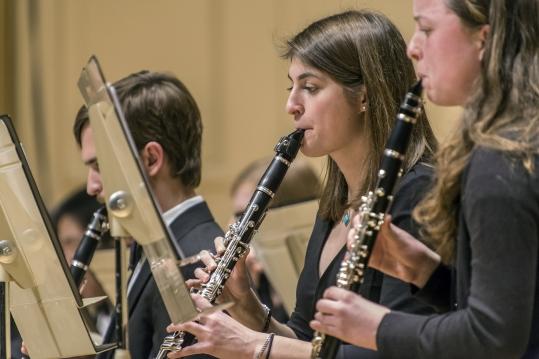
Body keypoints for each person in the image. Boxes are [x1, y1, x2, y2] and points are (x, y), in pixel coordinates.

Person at [166, 10, 438, 359]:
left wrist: (252, 347)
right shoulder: (334, 205)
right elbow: (304, 339)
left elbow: (400, 351)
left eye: (310, 88)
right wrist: (245, 302)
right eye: (291, 86)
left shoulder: (416, 194)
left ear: (364, 97)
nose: (291, 105)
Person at [311, 0, 539, 358]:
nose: (412, 47)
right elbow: (518, 309)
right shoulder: (514, 143)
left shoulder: (501, 161)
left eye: (427, 29)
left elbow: (495, 338)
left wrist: (377, 327)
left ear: (484, 38)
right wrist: (422, 269)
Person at [73, 71, 222, 359]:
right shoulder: (155, 248)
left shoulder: (195, 263)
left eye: (99, 166)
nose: (91, 186)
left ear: (152, 159)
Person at [230, 157, 321, 323]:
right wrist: (252, 291)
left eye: (249, 218)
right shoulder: (255, 276)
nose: (235, 227)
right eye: (238, 218)